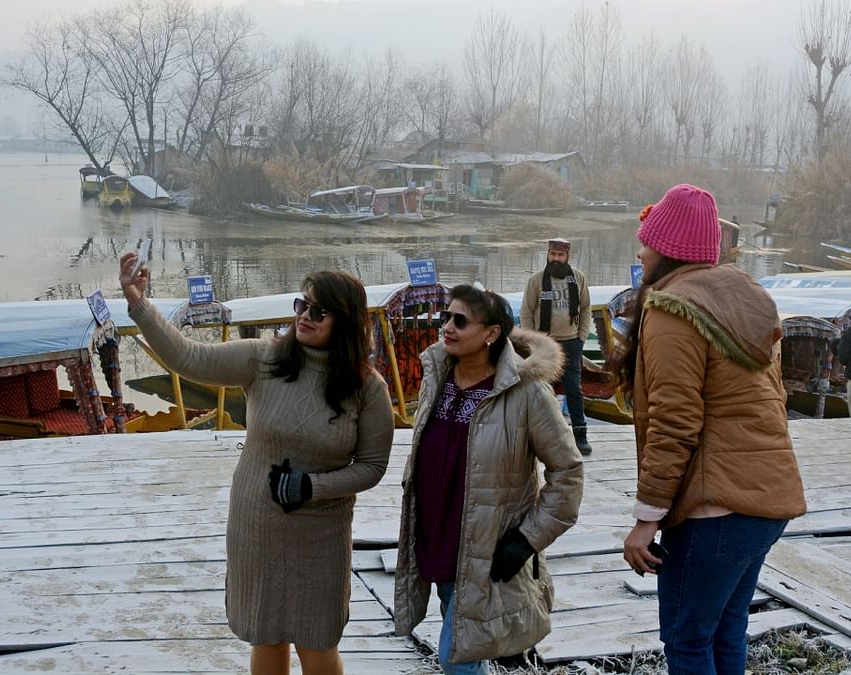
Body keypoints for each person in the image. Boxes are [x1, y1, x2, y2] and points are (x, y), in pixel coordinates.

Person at [118, 256, 395, 675]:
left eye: (319, 312)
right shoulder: (264, 359)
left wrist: (310, 486)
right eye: (303, 305)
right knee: (265, 634)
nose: (304, 317)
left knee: (318, 642)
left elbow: (372, 467)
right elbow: (189, 357)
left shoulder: (367, 389)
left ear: (347, 321)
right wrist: (139, 302)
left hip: (321, 533)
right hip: (257, 524)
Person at [614, 184, 807, 675]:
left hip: (714, 509)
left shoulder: (673, 309)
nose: (640, 250)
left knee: (687, 639)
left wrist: (647, 516)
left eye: (647, 242)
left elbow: (674, 422)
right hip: (766, 499)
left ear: (668, 249)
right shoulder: (746, 298)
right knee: (724, 631)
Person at [394, 284, 584, 673]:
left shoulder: (527, 394)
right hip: (437, 541)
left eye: (460, 320)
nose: (447, 326)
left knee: (456, 657)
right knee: (467, 650)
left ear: (492, 333)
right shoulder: (438, 378)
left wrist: (527, 539)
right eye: (444, 317)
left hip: (488, 555)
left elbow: (569, 472)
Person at [520, 238, 594, 455]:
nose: (556, 259)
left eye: (561, 255)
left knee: (574, 389)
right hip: (545, 344)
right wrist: (532, 341)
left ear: (567, 256)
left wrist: (581, 338)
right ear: (548, 255)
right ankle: (540, 436)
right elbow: (526, 311)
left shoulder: (578, 278)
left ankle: (580, 435)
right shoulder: (536, 280)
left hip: (571, 342)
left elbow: (586, 308)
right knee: (540, 391)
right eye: (553, 254)